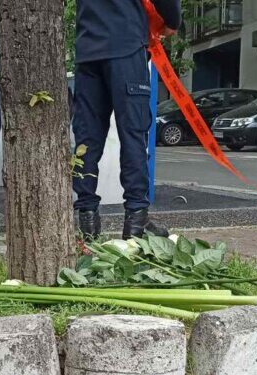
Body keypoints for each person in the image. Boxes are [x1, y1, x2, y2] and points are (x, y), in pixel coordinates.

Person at [72, 0, 181, 239]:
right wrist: (172, 21)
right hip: (126, 45)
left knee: (86, 140)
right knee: (133, 134)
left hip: (87, 49)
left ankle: (86, 224)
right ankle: (135, 223)